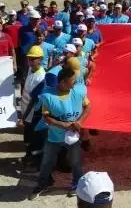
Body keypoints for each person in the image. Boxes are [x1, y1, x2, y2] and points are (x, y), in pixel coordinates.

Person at [29, 66, 91, 200]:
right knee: (46, 162)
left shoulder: (78, 92)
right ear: (62, 82)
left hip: (73, 137)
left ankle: (77, 185)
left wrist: (79, 121)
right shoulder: (48, 96)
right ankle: (42, 185)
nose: (75, 83)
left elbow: (88, 107)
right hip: (54, 137)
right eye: (72, 81)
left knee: (75, 162)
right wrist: (63, 125)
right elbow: (46, 117)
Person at [18, 45, 47, 167]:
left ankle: (36, 162)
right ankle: (28, 156)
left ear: (40, 59)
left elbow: (34, 100)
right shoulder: (30, 69)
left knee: (34, 138)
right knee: (27, 137)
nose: (30, 61)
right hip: (25, 109)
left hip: (33, 113)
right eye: (29, 58)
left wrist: (23, 118)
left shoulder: (41, 77)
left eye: (33, 59)